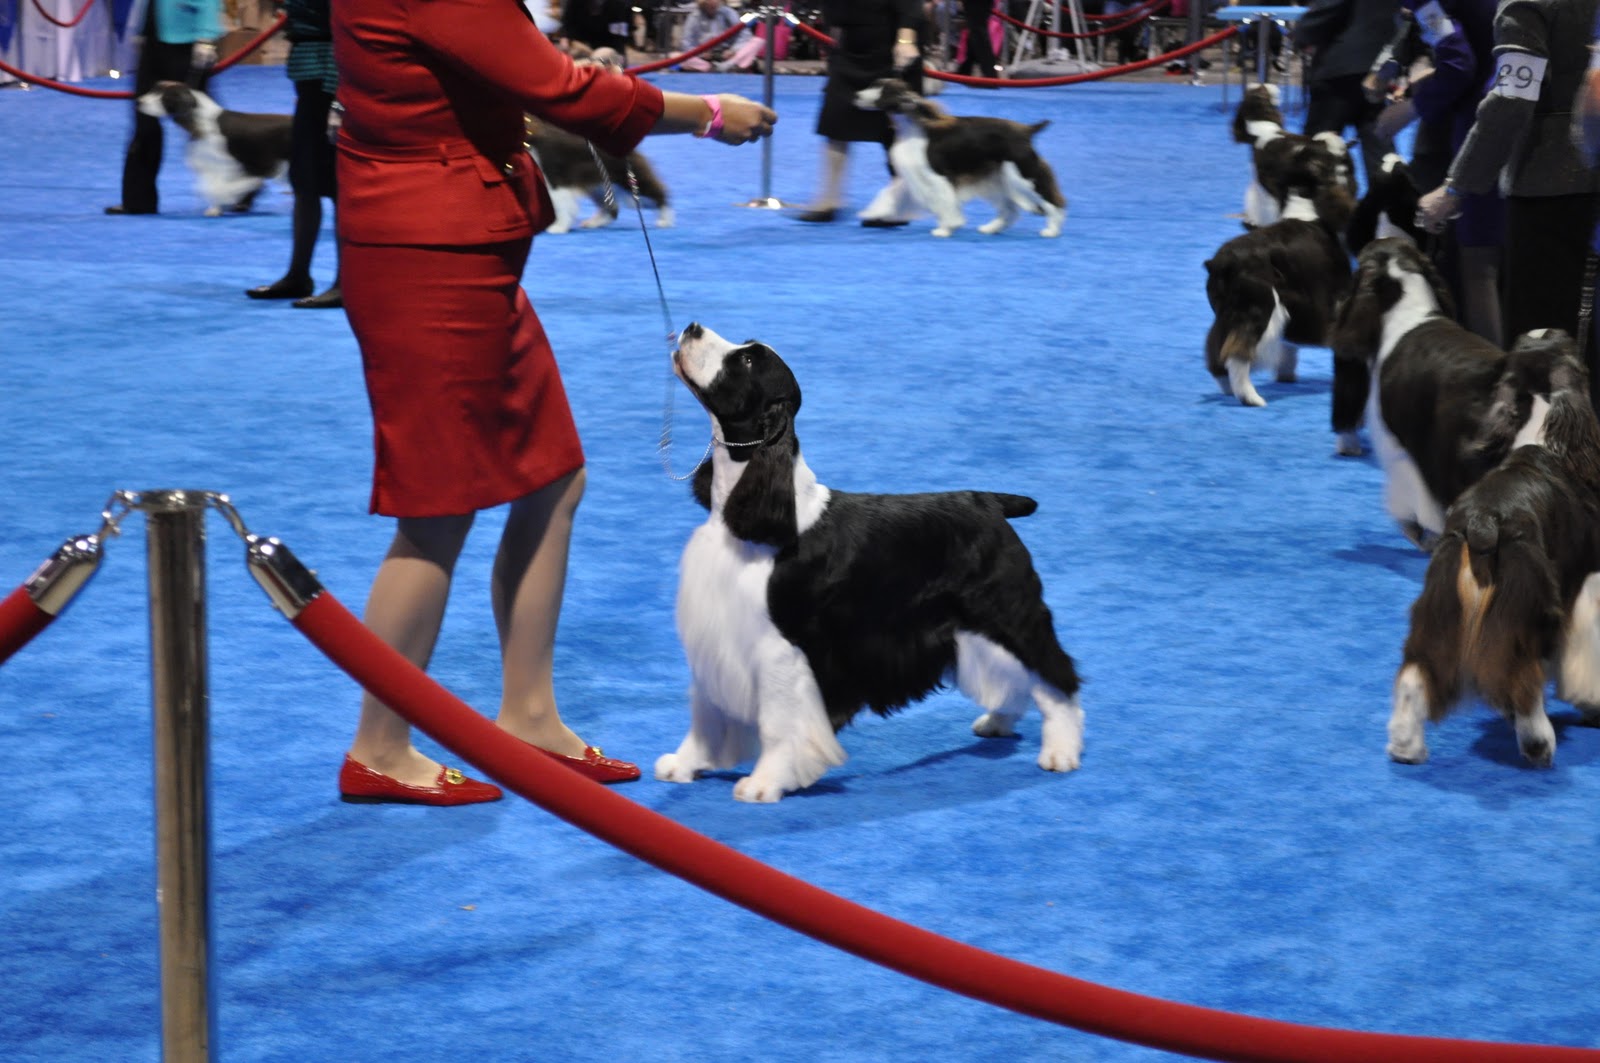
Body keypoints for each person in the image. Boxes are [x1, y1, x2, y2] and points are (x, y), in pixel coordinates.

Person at [330, 0, 776, 805]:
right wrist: (710, 114)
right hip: (429, 255)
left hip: (458, 244)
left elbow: (511, 70)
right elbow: (566, 95)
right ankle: (379, 746)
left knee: (551, 478)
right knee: (435, 511)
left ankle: (529, 714)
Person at [1415, 0, 1600, 355]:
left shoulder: (1526, 4)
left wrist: (1456, 186)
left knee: (1545, 349)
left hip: (1546, 189)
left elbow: (1511, 101)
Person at [246, 0, 341, 309]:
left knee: (340, 185)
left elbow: (349, 26)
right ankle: (298, 274)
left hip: (333, 71)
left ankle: (345, 282)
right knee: (303, 180)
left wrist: (340, 97)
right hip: (309, 75)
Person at [795, 0, 924, 224]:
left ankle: (902, 202)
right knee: (834, 120)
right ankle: (829, 198)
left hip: (891, 47)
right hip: (848, 49)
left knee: (895, 130)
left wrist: (906, 40)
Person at [106, 0, 223, 215]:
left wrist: (207, 35)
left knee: (206, 125)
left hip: (189, 42)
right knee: (143, 120)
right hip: (153, 40)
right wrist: (143, 28)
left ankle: (244, 190)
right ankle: (137, 200)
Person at [1292, 0, 1403, 193]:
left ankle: (1308, 213)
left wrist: (1302, 34)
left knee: (1316, 152)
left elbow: (1329, 7)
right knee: (1380, 153)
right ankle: (1393, 211)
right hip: (1378, 64)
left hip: (1339, 68)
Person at [678, 0, 762, 72]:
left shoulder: (729, 12)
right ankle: (711, 67)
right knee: (676, 57)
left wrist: (733, 50)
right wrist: (700, 53)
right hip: (704, 55)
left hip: (727, 54)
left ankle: (727, 66)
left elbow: (745, 35)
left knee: (757, 41)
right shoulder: (694, 16)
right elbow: (686, 42)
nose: (713, 2)